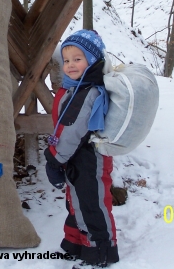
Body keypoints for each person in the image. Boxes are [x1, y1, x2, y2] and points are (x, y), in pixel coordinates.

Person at [44, 30, 119, 267]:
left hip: (89, 158)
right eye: (66, 60)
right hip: (74, 156)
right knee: (75, 201)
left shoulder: (89, 92)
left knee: (92, 204)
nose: (70, 65)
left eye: (78, 59)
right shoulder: (75, 88)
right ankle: (76, 243)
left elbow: (72, 130)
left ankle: (101, 252)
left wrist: (54, 159)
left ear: (93, 61)